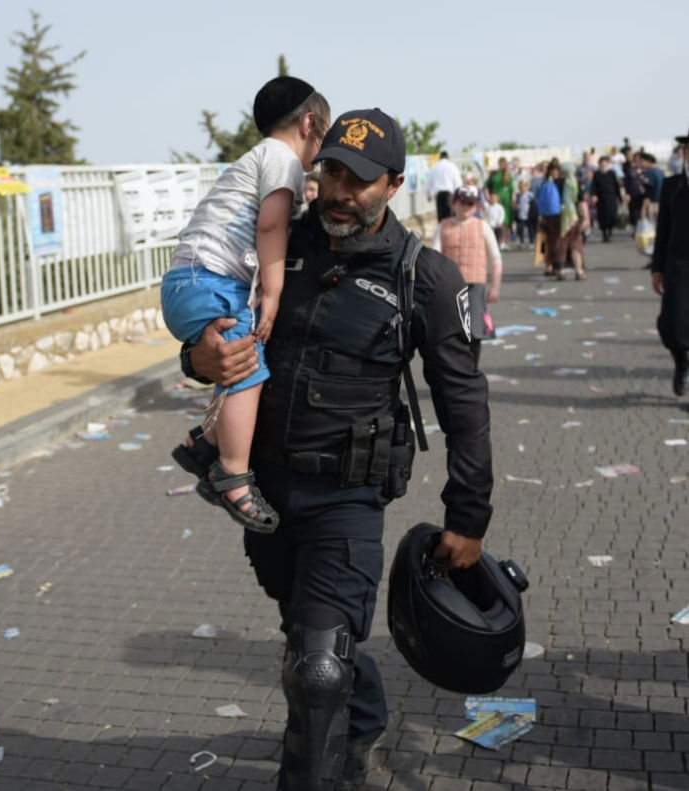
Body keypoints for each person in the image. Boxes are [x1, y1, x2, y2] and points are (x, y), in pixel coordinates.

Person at [180, 109, 493, 791]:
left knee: (316, 667)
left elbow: (464, 404)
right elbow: (212, 336)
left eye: (360, 180)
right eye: (331, 173)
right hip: (264, 492)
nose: (341, 192)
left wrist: (466, 514)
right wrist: (199, 354)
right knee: (307, 632)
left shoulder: (427, 279)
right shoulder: (277, 247)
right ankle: (362, 720)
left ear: (395, 183)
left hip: (347, 495)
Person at [163, 76, 331, 533]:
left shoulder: (254, 159)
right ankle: (232, 474)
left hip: (188, 281)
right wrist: (272, 293)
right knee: (245, 373)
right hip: (213, 283)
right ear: (310, 123)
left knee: (236, 370)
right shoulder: (282, 159)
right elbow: (272, 227)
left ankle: (204, 443)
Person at [435, 186, 504, 363]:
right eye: (462, 202)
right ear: (454, 203)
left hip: (475, 285)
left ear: (476, 206)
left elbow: (496, 258)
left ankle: (471, 369)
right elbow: (433, 259)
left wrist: (495, 287)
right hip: (449, 287)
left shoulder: (483, 227)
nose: (466, 206)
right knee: (450, 331)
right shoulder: (443, 226)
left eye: (470, 203)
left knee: (474, 331)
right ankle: (455, 369)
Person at [651, 130, 689, 396]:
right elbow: (663, 229)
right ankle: (681, 362)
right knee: (673, 326)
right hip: (678, 266)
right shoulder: (672, 185)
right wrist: (657, 268)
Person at [557, 163, 591, 280]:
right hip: (574, 217)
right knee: (576, 244)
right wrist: (586, 218)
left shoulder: (557, 183)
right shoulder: (576, 183)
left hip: (560, 217)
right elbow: (582, 202)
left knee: (562, 244)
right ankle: (579, 270)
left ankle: (561, 270)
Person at [536, 160, 564, 276]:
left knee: (555, 242)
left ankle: (555, 265)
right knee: (547, 242)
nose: (554, 172)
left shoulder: (555, 182)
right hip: (549, 215)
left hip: (556, 215)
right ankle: (550, 265)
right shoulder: (544, 182)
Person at [590, 155, 623, 242]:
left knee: (612, 215)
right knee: (603, 216)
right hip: (601, 198)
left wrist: (620, 198)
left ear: (608, 164)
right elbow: (593, 186)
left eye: (605, 163)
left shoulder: (612, 173)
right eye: (601, 163)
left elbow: (616, 186)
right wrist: (594, 195)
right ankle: (604, 233)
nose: (603, 165)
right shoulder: (597, 174)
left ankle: (610, 231)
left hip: (611, 197)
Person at [485, 157, 514, 247]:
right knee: (498, 221)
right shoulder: (494, 175)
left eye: (504, 163)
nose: (502, 165)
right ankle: (500, 240)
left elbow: (513, 189)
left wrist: (513, 200)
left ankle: (506, 240)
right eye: (500, 163)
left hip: (507, 200)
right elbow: (486, 186)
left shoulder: (509, 175)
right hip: (496, 199)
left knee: (506, 221)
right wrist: (488, 197)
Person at [428, 150, 462, 221]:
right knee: (451, 219)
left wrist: (429, 196)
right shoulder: (452, 166)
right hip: (450, 196)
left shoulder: (434, 167)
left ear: (440, 158)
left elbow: (429, 183)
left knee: (441, 220)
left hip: (439, 196)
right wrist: (458, 197)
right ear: (448, 157)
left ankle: (442, 232)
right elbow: (458, 183)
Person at [640, 152, 665, 221]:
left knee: (651, 220)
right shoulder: (661, 171)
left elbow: (649, 186)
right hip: (661, 199)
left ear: (648, 161)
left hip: (652, 201)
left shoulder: (649, 172)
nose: (641, 164)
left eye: (642, 161)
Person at [514, 179, 535, 248]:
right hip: (521, 215)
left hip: (529, 215)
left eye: (524, 187)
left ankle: (531, 242)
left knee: (530, 229)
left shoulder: (530, 195)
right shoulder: (518, 195)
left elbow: (533, 204)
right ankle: (522, 242)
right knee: (521, 229)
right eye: (521, 187)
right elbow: (516, 204)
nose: (522, 188)